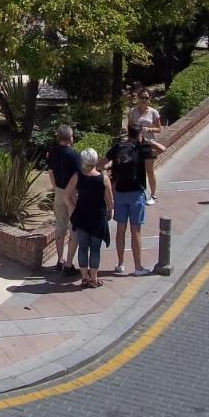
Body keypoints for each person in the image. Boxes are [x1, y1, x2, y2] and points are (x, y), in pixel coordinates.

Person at [105, 124, 165, 275]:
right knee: (135, 230)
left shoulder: (118, 147)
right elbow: (162, 149)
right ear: (139, 134)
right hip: (137, 193)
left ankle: (120, 264)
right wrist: (148, 141)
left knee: (120, 229)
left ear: (128, 133)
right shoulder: (141, 148)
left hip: (119, 192)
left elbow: (101, 162)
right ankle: (138, 266)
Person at [67, 148, 113, 288]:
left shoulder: (77, 176)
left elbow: (66, 194)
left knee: (82, 247)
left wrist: (73, 207)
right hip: (98, 217)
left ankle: (84, 278)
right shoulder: (103, 179)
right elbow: (110, 200)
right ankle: (94, 278)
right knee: (95, 249)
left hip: (81, 216)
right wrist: (110, 211)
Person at [46, 125, 82, 276]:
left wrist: (56, 188)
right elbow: (79, 176)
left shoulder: (53, 153)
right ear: (70, 137)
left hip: (59, 192)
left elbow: (50, 171)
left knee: (60, 226)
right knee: (75, 227)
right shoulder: (75, 155)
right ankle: (69, 263)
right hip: (72, 193)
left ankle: (59, 260)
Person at [128, 90, 163, 204]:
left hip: (148, 143)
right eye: (142, 97)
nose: (144, 100)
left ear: (149, 99)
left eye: (146, 98)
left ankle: (153, 195)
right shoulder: (133, 112)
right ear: (138, 98)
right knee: (137, 170)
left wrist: (150, 129)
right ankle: (140, 192)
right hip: (136, 144)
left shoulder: (154, 112)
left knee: (149, 171)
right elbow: (129, 127)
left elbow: (159, 129)